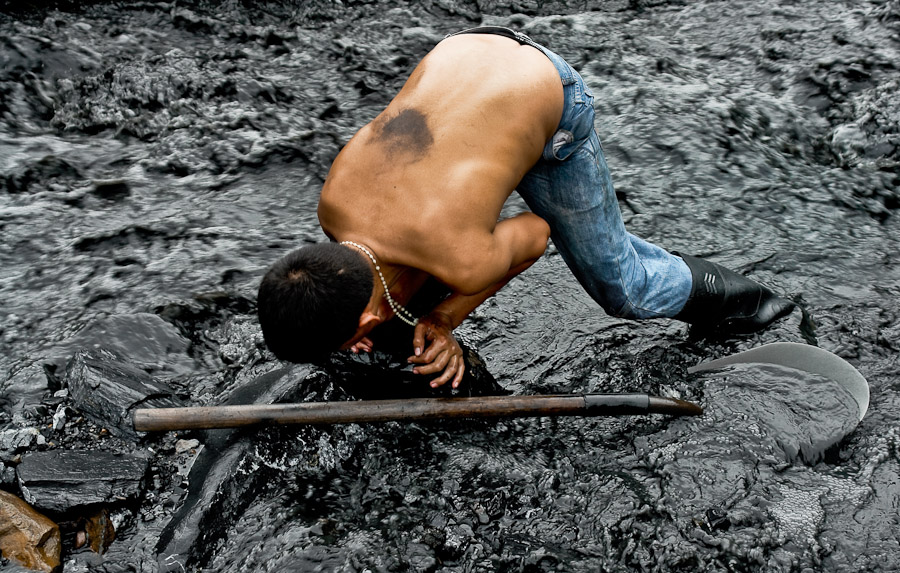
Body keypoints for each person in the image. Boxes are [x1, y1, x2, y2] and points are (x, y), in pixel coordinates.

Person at [257, 26, 795, 389]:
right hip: (469, 52)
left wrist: (444, 320)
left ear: (370, 318)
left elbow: (535, 232)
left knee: (622, 285)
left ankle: (752, 304)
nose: (360, 348)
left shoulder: (461, 258)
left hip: (550, 97)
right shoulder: (334, 206)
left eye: (356, 340)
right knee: (437, 265)